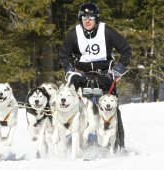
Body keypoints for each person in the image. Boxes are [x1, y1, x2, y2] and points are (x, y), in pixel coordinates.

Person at [59, 2, 132, 151]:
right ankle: (71, 142)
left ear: (96, 19)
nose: (87, 20)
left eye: (91, 17)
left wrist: (116, 70)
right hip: (82, 74)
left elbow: (126, 51)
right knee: (74, 105)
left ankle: (118, 145)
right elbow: (63, 55)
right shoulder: (74, 34)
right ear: (80, 18)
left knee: (111, 107)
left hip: (105, 74)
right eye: (84, 17)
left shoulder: (107, 31)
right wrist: (70, 71)